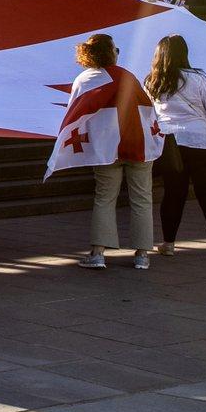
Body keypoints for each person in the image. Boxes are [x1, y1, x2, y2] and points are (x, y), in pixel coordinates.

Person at [69, 34, 163, 271]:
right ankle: (142, 255)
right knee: (142, 198)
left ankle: (98, 253)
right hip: (138, 144)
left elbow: (74, 114)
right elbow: (147, 108)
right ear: (110, 52)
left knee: (104, 197)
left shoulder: (86, 79)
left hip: (106, 148)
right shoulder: (128, 76)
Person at [146, 34, 206, 259]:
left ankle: (168, 244)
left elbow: (150, 115)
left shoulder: (152, 81)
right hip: (202, 142)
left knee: (173, 194)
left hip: (170, 143)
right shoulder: (197, 79)